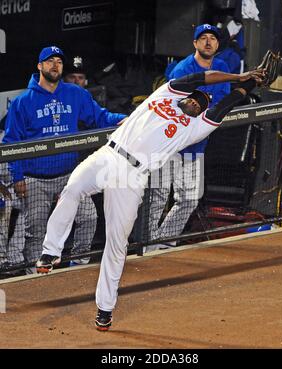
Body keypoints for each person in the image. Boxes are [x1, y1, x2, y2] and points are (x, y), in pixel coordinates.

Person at [35, 67, 264, 331]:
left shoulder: (194, 128)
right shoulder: (163, 95)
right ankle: (51, 252)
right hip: (108, 156)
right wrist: (236, 76)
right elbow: (199, 78)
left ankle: (105, 309)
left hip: (133, 176)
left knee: (117, 243)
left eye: (200, 105)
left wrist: (249, 85)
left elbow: (226, 104)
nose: (194, 103)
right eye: (194, 98)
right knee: (72, 188)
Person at [3, 46, 127, 272]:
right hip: (34, 178)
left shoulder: (75, 93)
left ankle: (78, 267)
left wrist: (125, 119)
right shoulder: (23, 102)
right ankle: (36, 276)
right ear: (39, 66)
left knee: (89, 217)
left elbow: (100, 117)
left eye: (59, 62)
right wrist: (17, 176)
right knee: (36, 233)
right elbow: (12, 142)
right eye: (49, 61)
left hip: (69, 176)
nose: (55, 65)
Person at [146, 24, 231, 251]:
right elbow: (175, 108)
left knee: (190, 199)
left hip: (196, 145)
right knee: (157, 198)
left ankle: (163, 242)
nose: (208, 42)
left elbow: (222, 102)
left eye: (212, 38)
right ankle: (145, 246)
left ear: (218, 44)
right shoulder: (182, 70)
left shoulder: (222, 68)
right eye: (202, 38)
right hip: (169, 144)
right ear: (195, 43)